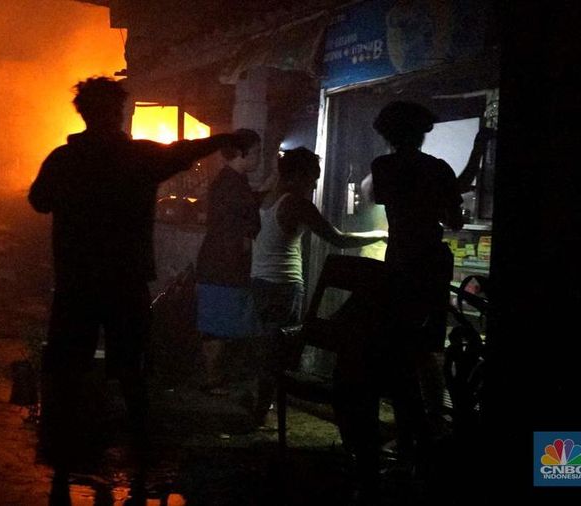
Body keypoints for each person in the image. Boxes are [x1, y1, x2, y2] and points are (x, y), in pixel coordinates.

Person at [29, 77, 257, 455]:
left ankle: (63, 447)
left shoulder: (63, 159)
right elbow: (183, 152)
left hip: (76, 282)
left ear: (83, 113)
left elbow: (39, 202)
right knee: (132, 367)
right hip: (126, 279)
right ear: (118, 114)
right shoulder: (138, 157)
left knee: (70, 365)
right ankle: (138, 445)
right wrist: (221, 140)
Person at [250, 147, 387, 426]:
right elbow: (338, 239)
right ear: (299, 175)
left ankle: (262, 407)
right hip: (283, 284)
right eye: (312, 179)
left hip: (259, 282)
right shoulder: (296, 203)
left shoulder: (265, 199)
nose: (314, 185)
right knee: (279, 351)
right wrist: (380, 234)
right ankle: (262, 413)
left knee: (266, 345)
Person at [368, 100, 464, 474]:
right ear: (423, 132)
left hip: (401, 259)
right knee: (428, 346)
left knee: (398, 345)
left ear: (387, 133)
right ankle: (435, 423)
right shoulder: (437, 169)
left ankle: (411, 428)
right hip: (432, 262)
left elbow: (388, 197)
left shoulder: (383, 166)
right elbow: (452, 219)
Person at [194, 128, 262, 395]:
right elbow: (238, 223)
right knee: (217, 326)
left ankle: (216, 379)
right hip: (224, 263)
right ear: (242, 153)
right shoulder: (231, 184)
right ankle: (214, 381)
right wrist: (246, 236)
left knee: (218, 324)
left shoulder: (230, 181)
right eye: (256, 152)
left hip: (222, 262)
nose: (259, 158)